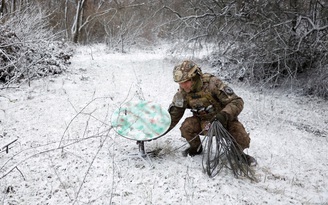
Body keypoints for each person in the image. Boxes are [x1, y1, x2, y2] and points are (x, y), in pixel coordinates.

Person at [165, 60, 257, 166]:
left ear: (195, 77)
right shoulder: (182, 93)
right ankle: (196, 148)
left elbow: (237, 101)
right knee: (186, 127)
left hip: (224, 120)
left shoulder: (213, 84)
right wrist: (155, 133)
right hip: (203, 123)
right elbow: (173, 116)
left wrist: (224, 115)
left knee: (241, 137)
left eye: (186, 81)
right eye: (180, 83)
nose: (183, 86)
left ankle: (238, 154)